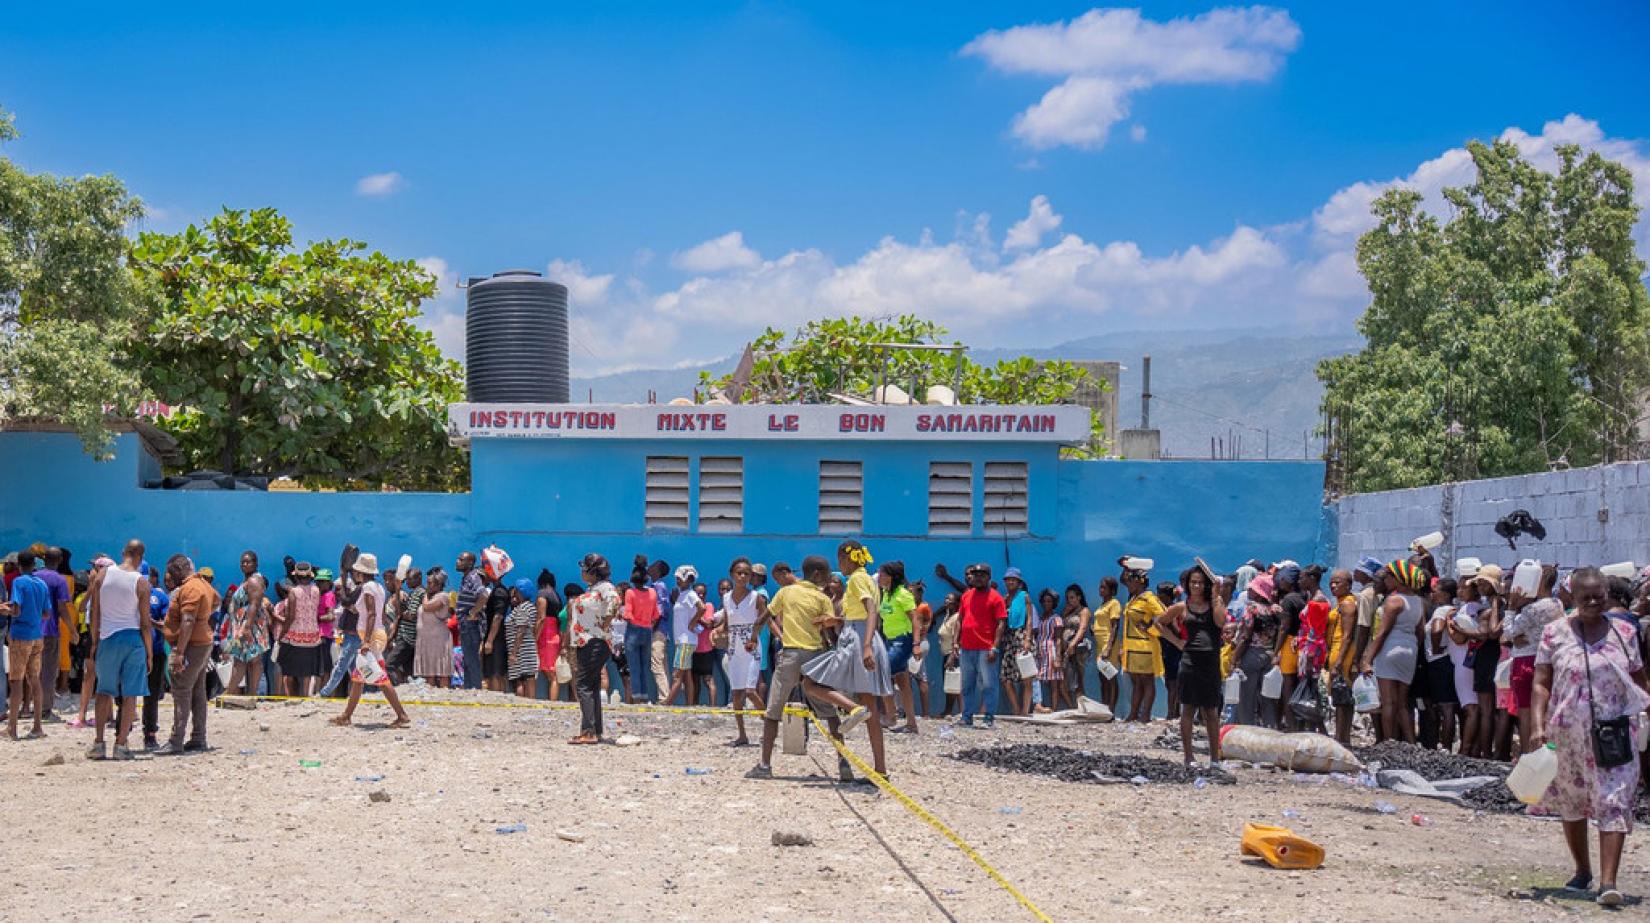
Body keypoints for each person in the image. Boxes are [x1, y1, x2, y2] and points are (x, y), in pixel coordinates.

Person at [1530, 567, 1650, 907]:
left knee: (1615, 800)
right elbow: (1540, 682)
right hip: (1567, 733)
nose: (1594, 602)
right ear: (1572, 597)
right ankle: (1582, 872)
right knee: (1573, 802)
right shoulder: (1554, 633)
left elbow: (1639, 679)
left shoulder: (1625, 632)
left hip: (1615, 733)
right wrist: (1537, 726)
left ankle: (1608, 881)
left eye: (1600, 596)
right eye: (1586, 598)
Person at [745, 554, 851, 781]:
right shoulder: (822, 598)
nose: (827, 578)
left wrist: (753, 636)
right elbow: (828, 630)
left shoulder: (786, 592)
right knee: (829, 711)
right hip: (816, 656)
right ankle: (843, 763)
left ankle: (765, 765)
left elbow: (765, 616)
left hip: (791, 655)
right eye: (825, 574)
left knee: (773, 711)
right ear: (816, 574)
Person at [801, 541, 890, 776]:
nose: (839, 566)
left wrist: (867, 645)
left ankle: (852, 709)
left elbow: (871, 611)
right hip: (858, 634)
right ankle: (880, 770)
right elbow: (862, 614)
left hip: (859, 641)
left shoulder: (858, 579)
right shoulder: (868, 579)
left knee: (810, 683)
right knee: (871, 708)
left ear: (848, 558)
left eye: (840, 561)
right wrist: (835, 622)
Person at [85, 542, 151, 760]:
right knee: (130, 693)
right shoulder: (141, 582)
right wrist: (149, 652)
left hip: (107, 638)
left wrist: (94, 642)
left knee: (104, 691)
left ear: (123, 553)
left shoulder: (103, 574)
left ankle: (98, 743)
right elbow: (144, 623)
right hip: (133, 640)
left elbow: (95, 612)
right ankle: (121, 745)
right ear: (141, 556)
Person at [330, 553, 411, 728]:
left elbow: (372, 614)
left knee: (380, 678)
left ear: (360, 572)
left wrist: (366, 641)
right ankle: (346, 715)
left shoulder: (367, 588)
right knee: (359, 678)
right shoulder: (379, 587)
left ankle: (402, 715)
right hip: (377, 634)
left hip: (371, 637)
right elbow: (379, 615)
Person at [1159, 564, 1227, 766]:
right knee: (1187, 708)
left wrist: (1216, 595)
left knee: (1211, 712)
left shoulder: (1215, 603)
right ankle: (1189, 757)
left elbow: (1221, 622)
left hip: (1210, 661)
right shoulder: (1181, 607)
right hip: (1189, 661)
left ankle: (1214, 758)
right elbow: (1159, 622)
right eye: (1193, 582)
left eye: (1200, 582)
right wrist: (1177, 641)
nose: (1196, 586)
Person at [156, 554, 218, 755]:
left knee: (181, 689)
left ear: (177, 570)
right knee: (198, 691)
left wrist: (180, 652)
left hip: (191, 645)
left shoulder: (190, 588)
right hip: (202, 643)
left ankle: (176, 740)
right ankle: (198, 737)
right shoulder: (204, 584)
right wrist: (204, 619)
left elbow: (188, 620)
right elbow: (216, 602)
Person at [1361, 560, 1426, 744]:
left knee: (1388, 702)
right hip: (1409, 650)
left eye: (1389, 576)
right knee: (1402, 703)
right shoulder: (1417, 601)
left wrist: (1367, 659)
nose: (1386, 580)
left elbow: (1382, 633)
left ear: (1398, 579)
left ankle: (1389, 743)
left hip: (1390, 649)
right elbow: (1420, 632)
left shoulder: (1394, 600)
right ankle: (1411, 742)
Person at [1503, 565, 1563, 754]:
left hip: (1525, 661)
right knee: (1545, 709)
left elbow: (1508, 632)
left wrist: (1511, 608)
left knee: (1526, 711)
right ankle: (1547, 752)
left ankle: (1528, 753)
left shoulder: (1531, 609)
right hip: (1548, 660)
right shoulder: (1557, 604)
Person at [567, 554, 620, 745]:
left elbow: (614, 602)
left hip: (595, 642)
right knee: (592, 685)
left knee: (582, 685)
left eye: (585, 568)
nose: (581, 572)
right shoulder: (594, 589)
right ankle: (595, 730)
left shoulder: (605, 587)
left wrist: (605, 624)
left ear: (593, 571)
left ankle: (588, 731)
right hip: (588, 642)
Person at [951, 563, 1007, 728]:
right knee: (967, 684)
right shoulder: (966, 596)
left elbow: (1001, 623)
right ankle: (966, 716)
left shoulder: (996, 597)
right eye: (976, 575)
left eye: (982, 575)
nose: (978, 578)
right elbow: (960, 620)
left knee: (989, 684)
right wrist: (955, 642)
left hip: (986, 647)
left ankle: (988, 717)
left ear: (989, 577)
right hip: (966, 647)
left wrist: (995, 647)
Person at [721, 557, 768, 746]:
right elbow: (726, 621)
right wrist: (717, 631)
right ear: (732, 574)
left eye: (746, 574)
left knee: (750, 690)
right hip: (734, 647)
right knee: (736, 693)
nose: (742, 576)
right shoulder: (725, 598)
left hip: (750, 644)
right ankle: (742, 734)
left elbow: (766, 618)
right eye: (739, 573)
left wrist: (780, 635)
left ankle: (768, 725)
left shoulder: (756, 597)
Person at [7, 552, 52, 739]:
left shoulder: (19, 582)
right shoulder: (41, 584)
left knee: (16, 681)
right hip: (37, 636)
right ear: (34, 564)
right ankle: (37, 727)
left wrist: (4, 609)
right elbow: (46, 614)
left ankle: (12, 728)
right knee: (34, 679)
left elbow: (16, 610)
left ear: (19, 565)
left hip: (20, 635)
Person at [1229, 573, 1279, 727]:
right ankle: (1270, 728)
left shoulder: (1251, 609)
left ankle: (1248, 729)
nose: (1249, 591)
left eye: (1252, 588)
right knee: (1267, 697)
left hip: (1251, 655)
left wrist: (1235, 658)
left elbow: (1246, 635)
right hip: (1269, 655)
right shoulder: (1275, 609)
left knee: (1246, 698)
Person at [1118, 557, 1164, 723]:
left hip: (1145, 646)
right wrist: (1124, 566)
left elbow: (1163, 616)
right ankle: (1134, 712)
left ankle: (1145, 714)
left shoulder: (1149, 598)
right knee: (1136, 681)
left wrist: (1149, 626)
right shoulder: (1134, 598)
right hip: (1132, 647)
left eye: (1131, 581)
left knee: (1147, 681)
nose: (1128, 584)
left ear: (1139, 582)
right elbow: (1122, 579)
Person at [877, 561, 920, 733]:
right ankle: (911, 723)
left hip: (903, 640)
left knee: (881, 672)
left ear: (892, 577)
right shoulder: (887, 594)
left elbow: (915, 620)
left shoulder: (903, 594)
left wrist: (916, 644)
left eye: (882, 574)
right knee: (902, 681)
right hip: (889, 640)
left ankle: (891, 715)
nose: (879, 577)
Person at [272, 562, 324, 696]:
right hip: (312, 635)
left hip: (295, 634)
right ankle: (305, 695)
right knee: (307, 670)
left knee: (288, 669)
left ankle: (290, 696)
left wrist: (282, 634)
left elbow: (290, 616)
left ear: (296, 576)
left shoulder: (293, 592)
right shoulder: (316, 590)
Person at [1422, 577, 1461, 752]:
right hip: (1446, 662)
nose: (1432, 593)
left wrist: (1436, 648)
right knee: (1447, 706)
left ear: (1444, 594)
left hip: (1439, 662)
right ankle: (1445, 744)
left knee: (1446, 707)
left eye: (1435, 590)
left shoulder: (1440, 611)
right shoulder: (1451, 609)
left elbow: (1437, 630)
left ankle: (1445, 746)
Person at [663, 566, 704, 706]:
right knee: (686, 674)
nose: (677, 581)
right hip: (683, 640)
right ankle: (689, 703)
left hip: (686, 640)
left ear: (688, 579)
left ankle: (667, 702)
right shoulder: (683, 594)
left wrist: (692, 623)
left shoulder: (691, 594)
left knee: (677, 674)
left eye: (680, 579)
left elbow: (702, 608)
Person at [225, 574, 272, 697]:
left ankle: (245, 693)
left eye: (249, 561)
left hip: (249, 626)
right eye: (243, 561)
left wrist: (246, 627)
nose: (245, 564)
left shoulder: (255, 580)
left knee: (249, 661)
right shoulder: (248, 581)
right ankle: (243, 693)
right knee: (245, 660)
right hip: (244, 625)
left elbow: (254, 604)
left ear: (255, 563)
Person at [621, 562, 661, 703]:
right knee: (645, 666)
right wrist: (648, 624)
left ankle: (636, 696)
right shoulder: (652, 592)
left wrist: (634, 621)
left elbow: (628, 614)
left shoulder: (630, 592)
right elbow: (656, 614)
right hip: (647, 630)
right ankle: (644, 696)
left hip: (633, 631)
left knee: (634, 666)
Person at [997, 568, 1033, 716]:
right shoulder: (1005, 599)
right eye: (1008, 579)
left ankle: (1025, 710)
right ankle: (1016, 709)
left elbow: (1030, 619)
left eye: (1014, 579)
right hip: (1009, 639)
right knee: (1005, 678)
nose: (1010, 582)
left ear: (1019, 582)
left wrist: (1027, 639)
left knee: (1026, 676)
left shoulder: (1024, 596)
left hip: (1021, 634)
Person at [414, 569, 453, 688]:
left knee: (442, 671)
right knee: (428, 670)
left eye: (430, 583)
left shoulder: (443, 597)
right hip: (426, 639)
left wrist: (425, 595)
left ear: (439, 584)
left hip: (439, 640)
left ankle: (443, 694)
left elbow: (427, 607)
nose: (428, 586)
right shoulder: (431, 597)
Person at [503, 578, 540, 698]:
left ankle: (528, 703)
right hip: (520, 649)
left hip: (522, 650)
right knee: (521, 679)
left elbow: (521, 630)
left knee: (526, 679)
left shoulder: (524, 608)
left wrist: (513, 652)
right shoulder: (522, 607)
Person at [454, 551, 486, 690]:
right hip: (466, 624)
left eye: (461, 559)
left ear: (470, 563)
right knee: (467, 659)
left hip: (471, 625)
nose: (457, 561)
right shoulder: (467, 578)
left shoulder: (473, 577)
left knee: (472, 659)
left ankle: (475, 689)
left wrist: (473, 612)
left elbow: (483, 595)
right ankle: (469, 688)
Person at [1033, 588, 1067, 711]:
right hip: (1040, 651)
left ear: (1054, 603)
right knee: (1039, 679)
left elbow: (1058, 639)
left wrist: (1058, 657)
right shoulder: (1042, 618)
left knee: (1054, 682)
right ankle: (1040, 705)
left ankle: (1054, 708)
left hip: (1050, 651)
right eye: (1044, 601)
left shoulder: (1056, 618)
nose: (1046, 604)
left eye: (1049, 601)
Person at [480, 569, 511, 693]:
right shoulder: (498, 590)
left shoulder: (499, 592)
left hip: (496, 637)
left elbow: (498, 616)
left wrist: (489, 641)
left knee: (494, 672)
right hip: (496, 636)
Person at [1060, 584, 1092, 705]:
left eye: (1072, 597)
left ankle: (1081, 706)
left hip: (1078, 649)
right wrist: (1065, 613)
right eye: (1068, 598)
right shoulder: (1069, 612)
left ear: (1079, 597)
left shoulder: (1084, 611)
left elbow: (1082, 629)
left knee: (1078, 678)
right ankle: (1072, 706)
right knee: (1067, 679)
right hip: (1066, 650)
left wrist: (1072, 644)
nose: (1070, 600)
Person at [1094, 576, 1122, 710]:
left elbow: (1115, 626)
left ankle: (1111, 709)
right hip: (1100, 645)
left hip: (1108, 645)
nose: (1101, 589)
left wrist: (1109, 647)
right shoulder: (1102, 605)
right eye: (1100, 586)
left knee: (1110, 677)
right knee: (1102, 677)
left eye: (1104, 587)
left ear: (1112, 590)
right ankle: (1104, 707)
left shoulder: (1114, 603)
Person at [535, 570, 564, 701]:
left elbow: (541, 618)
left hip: (546, 634)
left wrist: (534, 637)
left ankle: (553, 702)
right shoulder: (556, 596)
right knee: (551, 672)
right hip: (555, 633)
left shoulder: (542, 594)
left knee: (551, 673)